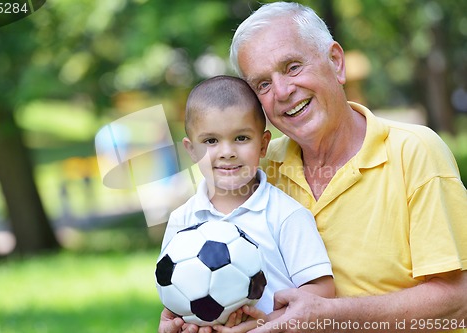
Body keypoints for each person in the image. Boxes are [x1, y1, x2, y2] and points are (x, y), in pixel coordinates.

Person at [226, 2, 467, 333]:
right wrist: (189, 311)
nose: (282, 92)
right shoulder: (258, 168)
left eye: (293, 67)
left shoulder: (414, 152)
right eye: (262, 85)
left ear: (336, 62)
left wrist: (328, 315)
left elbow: (459, 303)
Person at [158, 75, 335, 333]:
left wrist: (269, 323)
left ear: (263, 145)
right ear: (191, 150)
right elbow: (173, 296)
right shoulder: (182, 221)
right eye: (210, 141)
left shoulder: (287, 215)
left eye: (241, 138)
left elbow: (322, 291)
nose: (227, 151)